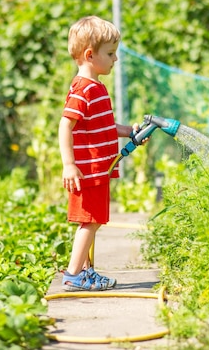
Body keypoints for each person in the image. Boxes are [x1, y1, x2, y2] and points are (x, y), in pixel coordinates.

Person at [58, 16, 140, 291]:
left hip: (97, 170)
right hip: (88, 170)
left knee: (92, 221)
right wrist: (69, 165)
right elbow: (65, 125)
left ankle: (85, 270)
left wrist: (128, 131)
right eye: (110, 53)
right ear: (90, 55)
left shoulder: (96, 88)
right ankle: (73, 275)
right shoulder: (84, 89)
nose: (115, 59)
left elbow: (103, 126)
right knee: (89, 223)